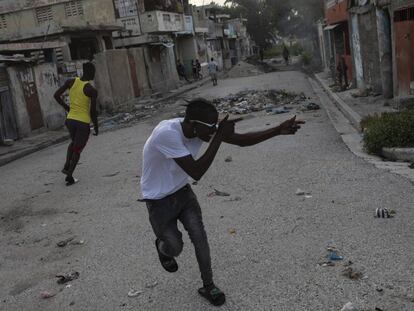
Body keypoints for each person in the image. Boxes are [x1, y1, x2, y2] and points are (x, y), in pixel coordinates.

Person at [140, 98, 304, 306]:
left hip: (182, 192)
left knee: (200, 238)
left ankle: (208, 286)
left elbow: (241, 140)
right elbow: (197, 171)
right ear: (191, 123)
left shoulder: (201, 129)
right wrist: (218, 136)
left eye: (214, 126)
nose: (212, 131)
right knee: (175, 247)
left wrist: (277, 130)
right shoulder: (167, 134)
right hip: (158, 199)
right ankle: (163, 247)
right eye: (210, 127)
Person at [54, 62, 98, 186]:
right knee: (78, 149)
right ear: (88, 72)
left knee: (73, 143)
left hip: (70, 120)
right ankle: (69, 176)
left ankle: (67, 165)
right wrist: (96, 127)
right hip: (82, 123)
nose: (94, 74)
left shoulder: (71, 82)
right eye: (93, 72)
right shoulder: (91, 89)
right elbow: (93, 111)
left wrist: (67, 107)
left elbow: (56, 95)